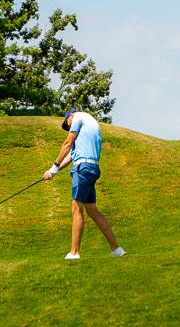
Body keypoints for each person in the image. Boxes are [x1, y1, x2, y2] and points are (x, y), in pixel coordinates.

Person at [42, 107, 126, 260]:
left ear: (71, 116)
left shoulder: (78, 117)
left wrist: (54, 166)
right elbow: (70, 156)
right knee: (92, 210)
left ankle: (74, 253)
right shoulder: (90, 125)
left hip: (83, 168)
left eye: (67, 124)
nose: (68, 127)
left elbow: (67, 143)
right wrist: (53, 171)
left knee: (76, 208)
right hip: (91, 168)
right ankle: (116, 249)